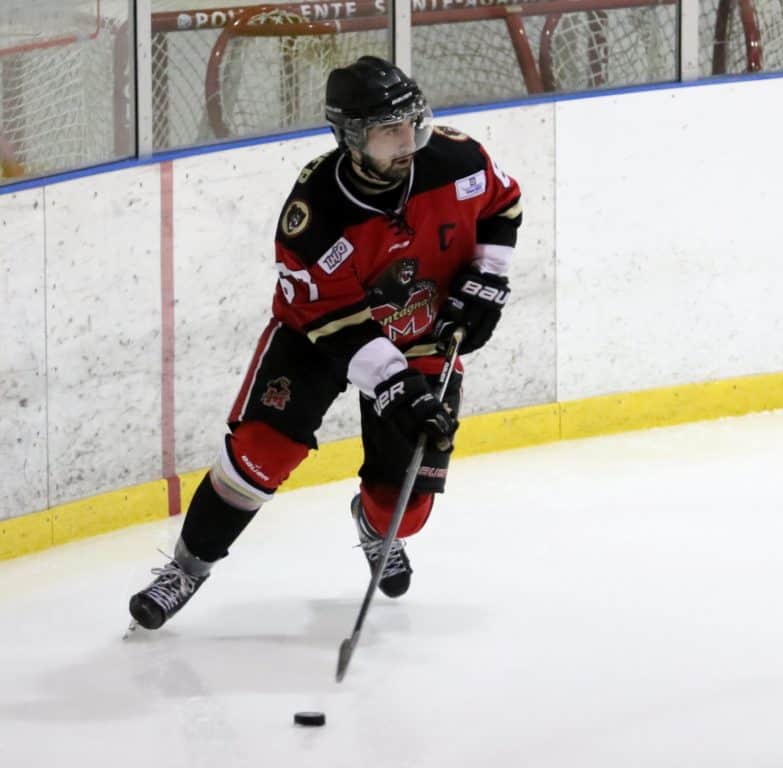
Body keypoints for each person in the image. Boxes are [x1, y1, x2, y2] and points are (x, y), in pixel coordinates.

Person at [128, 56, 522, 631]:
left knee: (403, 514)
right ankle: (186, 569)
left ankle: (370, 522)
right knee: (260, 453)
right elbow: (334, 319)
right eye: (389, 131)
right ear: (351, 138)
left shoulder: (457, 159)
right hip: (317, 338)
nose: (407, 140)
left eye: (411, 122)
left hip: (422, 332)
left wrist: (487, 277)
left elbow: (501, 207)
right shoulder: (313, 215)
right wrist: (394, 386)